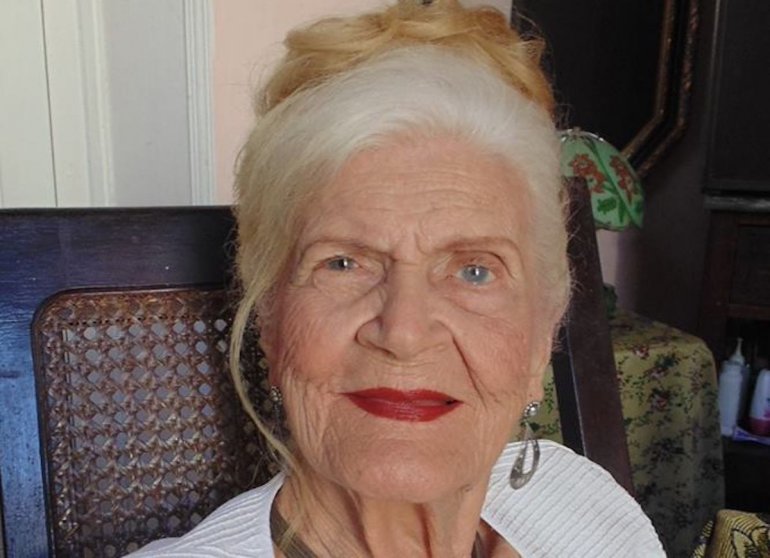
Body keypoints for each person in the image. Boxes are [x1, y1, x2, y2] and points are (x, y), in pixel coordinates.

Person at [128, 1, 664, 556]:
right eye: (343, 263)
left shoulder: (585, 506)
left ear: (542, 337)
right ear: (269, 317)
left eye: (474, 271)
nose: (404, 333)